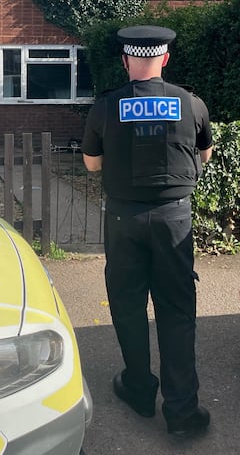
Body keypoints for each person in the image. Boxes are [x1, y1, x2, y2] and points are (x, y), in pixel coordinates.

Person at [81, 25, 213, 436]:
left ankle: (138, 389)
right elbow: (204, 155)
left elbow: (91, 164)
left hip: (124, 221)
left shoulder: (106, 106)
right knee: (176, 311)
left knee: (127, 304)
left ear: (126, 60)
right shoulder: (191, 104)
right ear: (165, 60)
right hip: (174, 221)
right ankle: (182, 412)